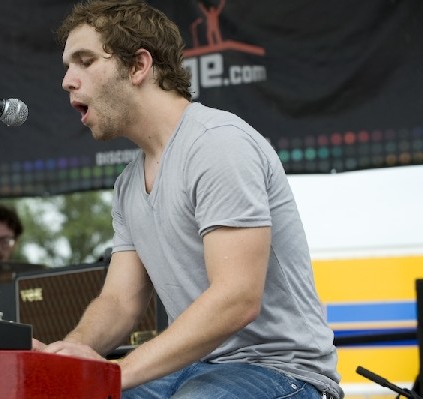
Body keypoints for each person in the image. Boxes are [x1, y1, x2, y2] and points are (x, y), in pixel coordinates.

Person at [33, 1, 344, 398]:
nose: (67, 81)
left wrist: (117, 372)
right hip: (200, 369)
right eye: (67, 65)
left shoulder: (217, 143)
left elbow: (237, 298)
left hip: (283, 372)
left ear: (138, 66)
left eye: (85, 61)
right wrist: (73, 352)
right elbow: (120, 300)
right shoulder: (127, 185)